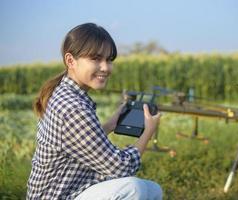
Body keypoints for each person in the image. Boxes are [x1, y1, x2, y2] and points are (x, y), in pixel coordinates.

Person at [27, 23, 163, 200]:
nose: (105, 67)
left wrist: (109, 125)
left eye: (109, 59)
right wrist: (148, 132)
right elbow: (120, 168)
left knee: (153, 190)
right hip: (58, 196)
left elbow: (77, 143)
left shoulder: (66, 93)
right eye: (96, 59)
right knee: (133, 188)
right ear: (70, 61)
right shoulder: (72, 107)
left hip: (74, 187)